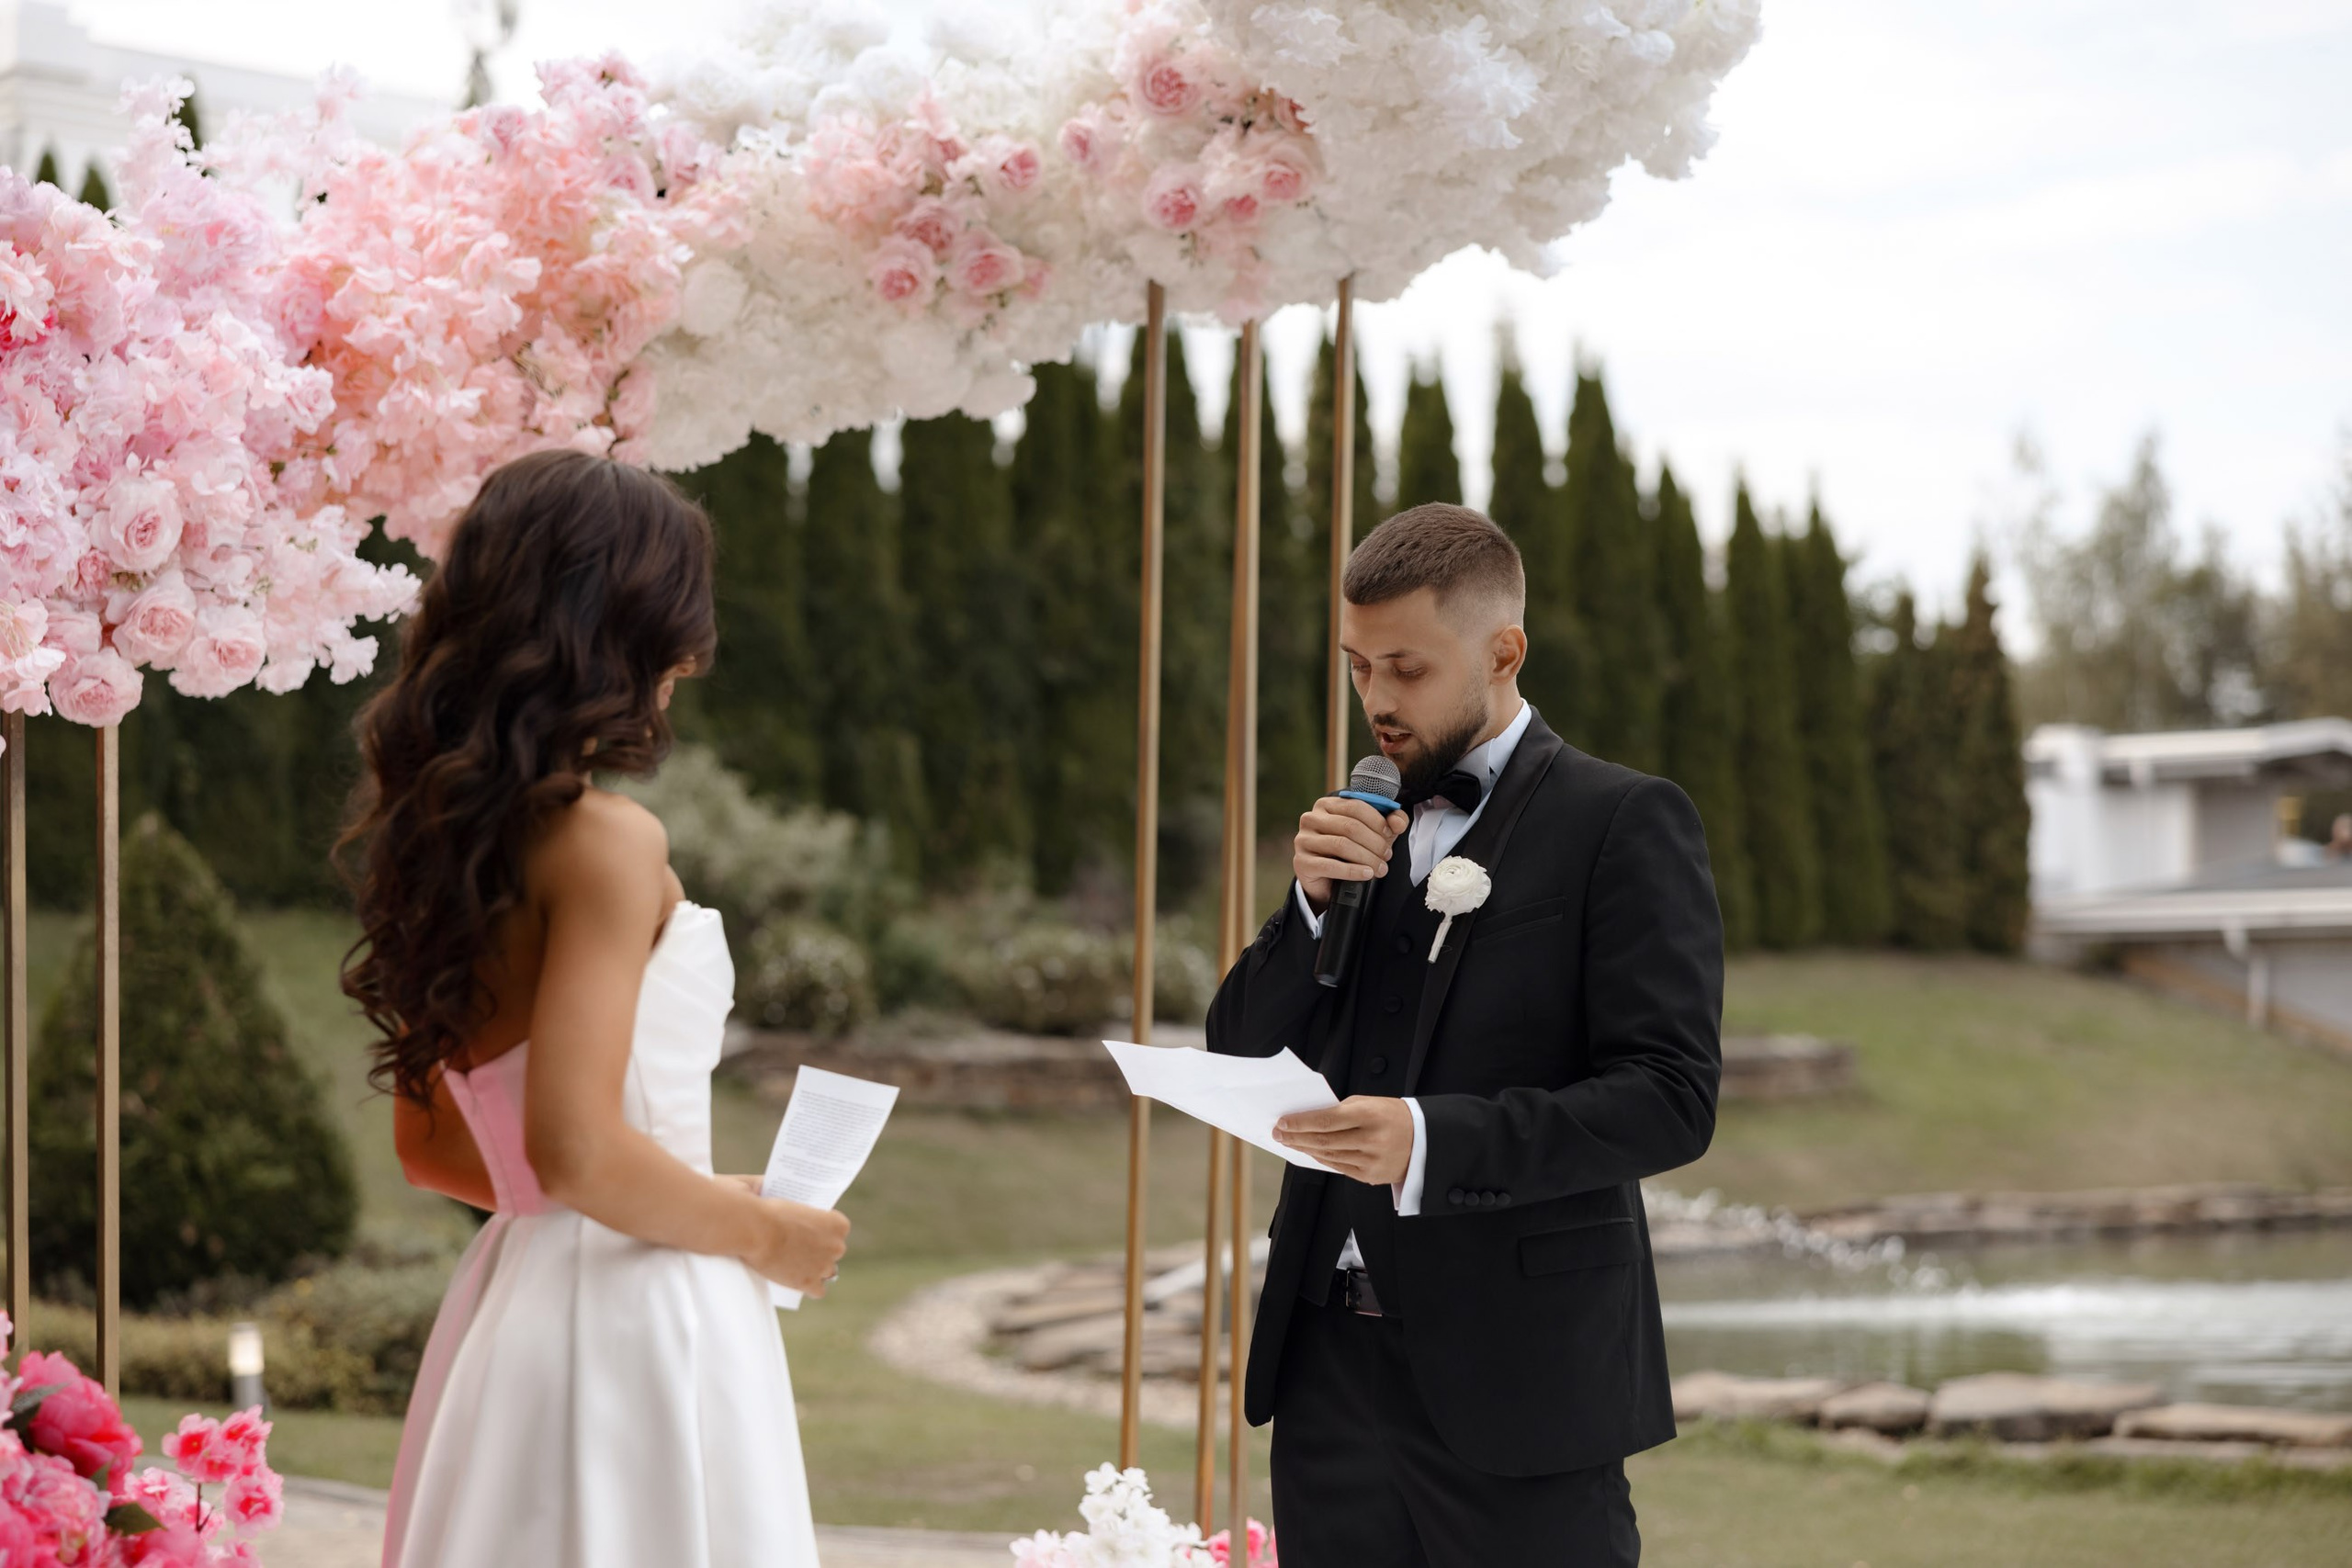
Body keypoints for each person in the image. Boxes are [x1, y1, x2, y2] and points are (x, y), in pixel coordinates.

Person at [339, 450, 849, 1568]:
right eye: (676, 621)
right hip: (639, 1326)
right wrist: (765, 1237)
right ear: (614, 627)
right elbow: (570, 1149)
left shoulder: (447, 847)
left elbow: (439, 1152)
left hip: (513, 1309)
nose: (690, 658)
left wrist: (681, 1192)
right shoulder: (609, 843)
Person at [1207, 503, 1724, 1567]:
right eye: (1357, 668)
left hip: (1521, 1382)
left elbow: (1669, 1096)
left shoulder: (1623, 822)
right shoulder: (1360, 826)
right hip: (1323, 1374)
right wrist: (1307, 905)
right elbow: (1238, 1050)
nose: (1377, 701)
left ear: (1503, 651)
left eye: (1406, 668)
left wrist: (1428, 1142)